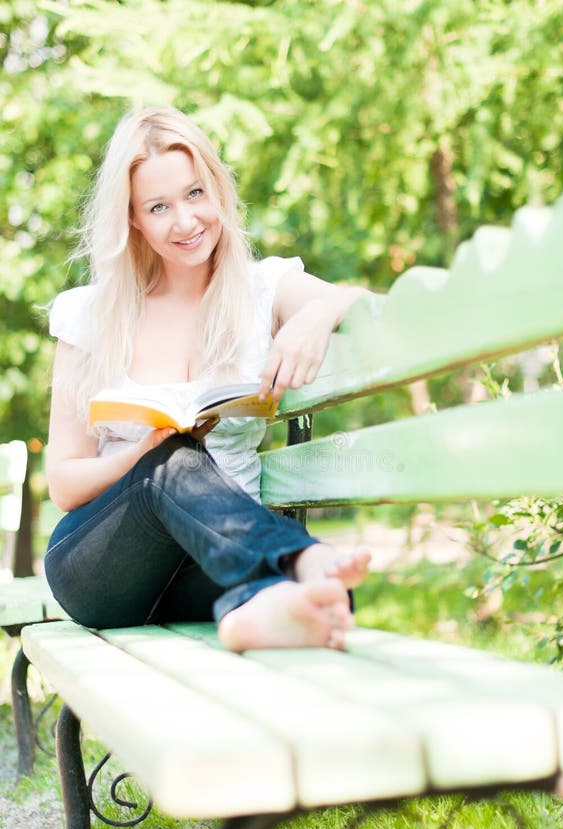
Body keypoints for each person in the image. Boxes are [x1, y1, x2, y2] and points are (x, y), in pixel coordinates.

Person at [44, 106, 371, 652]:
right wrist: (145, 451)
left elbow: (364, 301)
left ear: (217, 189)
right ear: (134, 220)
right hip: (103, 565)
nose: (186, 221)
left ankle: (258, 609)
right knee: (174, 459)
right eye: (159, 206)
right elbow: (64, 482)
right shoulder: (90, 314)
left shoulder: (264, 289)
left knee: (330, 599)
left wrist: (319, 312)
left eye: (196, 194)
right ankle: (301, 554)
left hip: (216, 556)